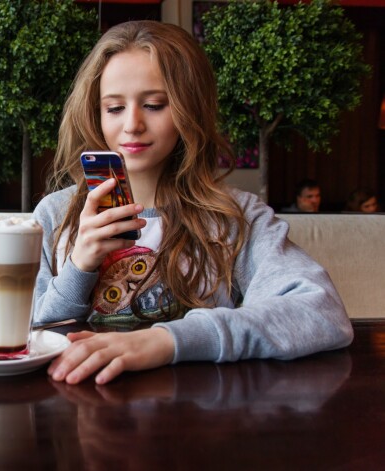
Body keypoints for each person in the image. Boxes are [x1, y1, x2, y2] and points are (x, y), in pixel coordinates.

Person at [32, 21, 353, 385]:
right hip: (77, 415)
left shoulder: (234, 217)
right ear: (95, 112)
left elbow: (322, 313)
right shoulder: (56, 215)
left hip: (197, 417)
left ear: (190, 109)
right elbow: (22, 339)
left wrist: (168, 340)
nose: (133, 124)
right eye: (115, 108)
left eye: (154, 105)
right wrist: (78, 268)